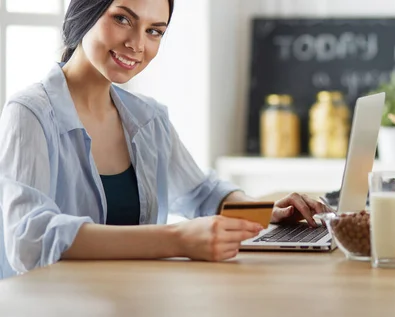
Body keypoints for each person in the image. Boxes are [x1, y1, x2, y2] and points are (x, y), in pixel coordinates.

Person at [0, 0, 325, 279]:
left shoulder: (149, 118)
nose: (137, 44)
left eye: (154, 31)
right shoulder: (30, 112)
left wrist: (263, 210)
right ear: (86, 11)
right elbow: (29, 239)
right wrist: (176, 238)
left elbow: (202, 193)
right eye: (123, 18)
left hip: (138, 296)